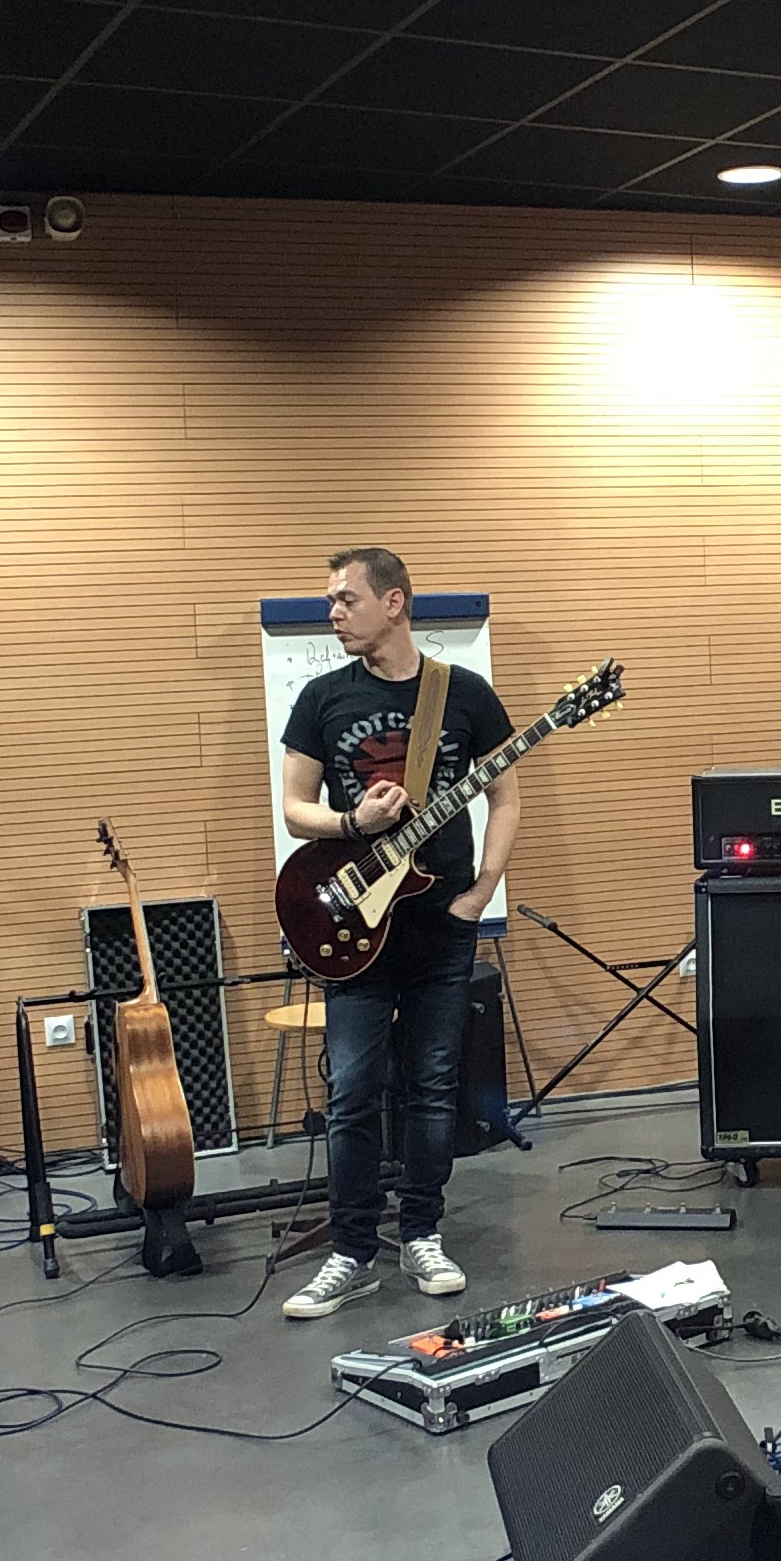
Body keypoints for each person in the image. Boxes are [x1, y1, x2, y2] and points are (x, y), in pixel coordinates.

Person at [275, 546, 517, 1321]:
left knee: (433, 1088)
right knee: (352, 1091)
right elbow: (295, 809)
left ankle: (421, 1234)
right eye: (330, 601)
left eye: (345, 599)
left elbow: (506, 798)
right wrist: (354, 821)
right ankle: (350, 1252)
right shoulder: (322, 697)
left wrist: (480, 892)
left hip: (440, 922)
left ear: (394, 603)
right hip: (353, 925)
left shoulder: (463, 693)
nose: (333, 613)